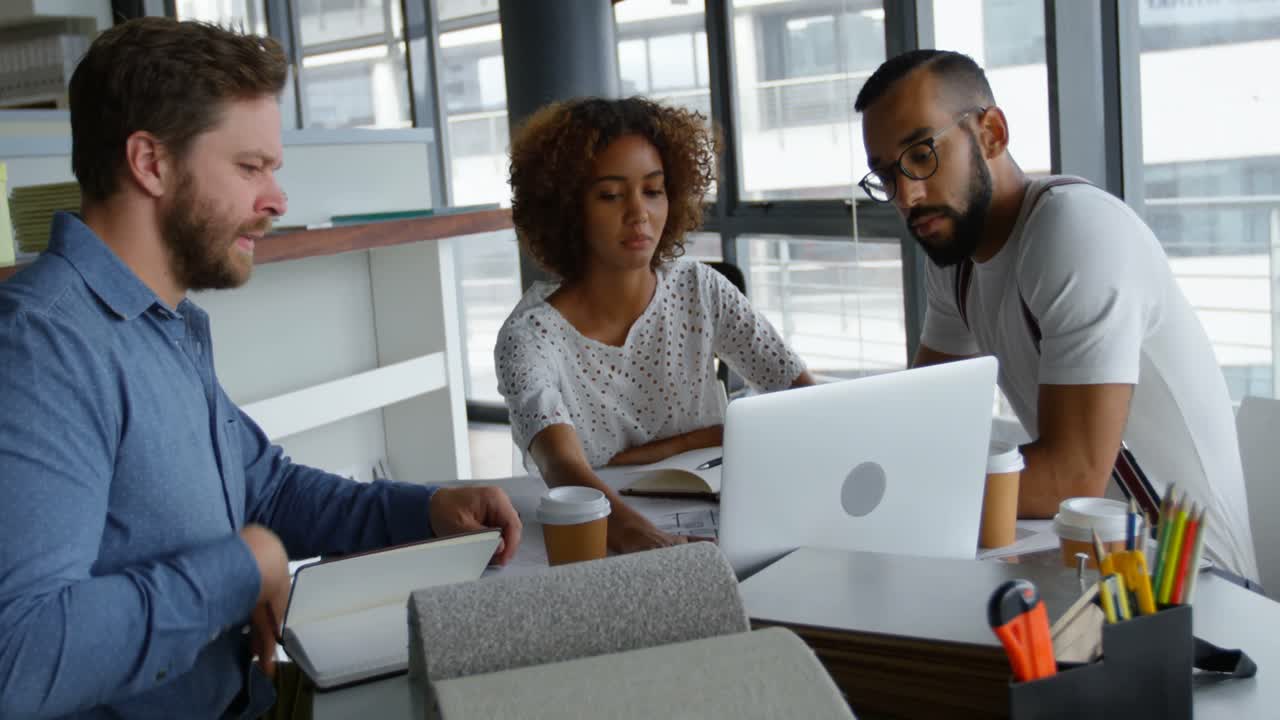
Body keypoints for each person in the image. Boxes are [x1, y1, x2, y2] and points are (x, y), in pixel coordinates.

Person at [0, 18, 521, 719]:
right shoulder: (43, 348)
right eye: (251, 168)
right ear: (150, 163)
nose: (276, 200)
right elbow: (21, 656)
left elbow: (266, 493)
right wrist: (241, 569)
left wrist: (424, 509)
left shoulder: (158, 324)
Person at [855, 49, 1257, 582]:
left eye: (921, 155)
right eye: (886, 175)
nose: (906, 195)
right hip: (1088, 558)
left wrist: (889, 490)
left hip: (1192, 584)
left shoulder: (1076, 231)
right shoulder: (956, 259)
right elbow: (927, 421)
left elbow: (1073, 474)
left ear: (992, 133)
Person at [496, 97, 814, 554]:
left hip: (729, 521)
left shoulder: (700, 287)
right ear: (567, 208)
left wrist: (681, 444)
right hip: (606, 540)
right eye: (610, 195)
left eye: (653, 190)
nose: (638, 213)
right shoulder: (528, 338)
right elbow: (564, 467)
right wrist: (642, 535)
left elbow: (801, 396)